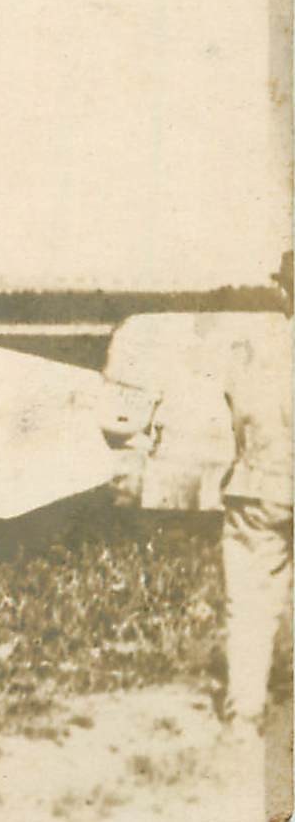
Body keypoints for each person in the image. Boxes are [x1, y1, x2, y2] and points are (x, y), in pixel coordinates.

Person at [217, 250, 293, 817]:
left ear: (285, 293)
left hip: (260, 485)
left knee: (250, 600)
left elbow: (233, 414)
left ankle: (244, 720)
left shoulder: (254, 352)